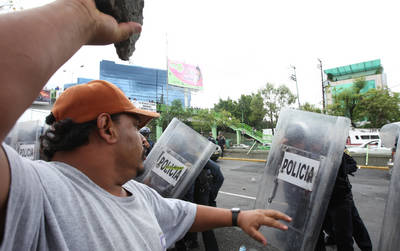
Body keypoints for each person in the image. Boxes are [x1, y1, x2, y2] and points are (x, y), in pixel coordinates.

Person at [0, 1, 292, 250]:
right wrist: (78, 13)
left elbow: (182, 212)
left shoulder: (137, 194)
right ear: (107, 127)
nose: (146, 141)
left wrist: (237, 217)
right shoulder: (36, 191)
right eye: (136, 127)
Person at [315, 150, 372, 251]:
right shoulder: (311, 150)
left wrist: (341, 171)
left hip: (340, 196)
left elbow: (353, 164)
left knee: (348, 228)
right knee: (327, 225)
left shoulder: (335, 151)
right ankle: (334, 238)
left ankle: (366, 246)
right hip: (322, 197)